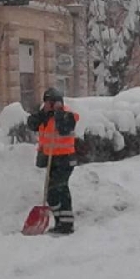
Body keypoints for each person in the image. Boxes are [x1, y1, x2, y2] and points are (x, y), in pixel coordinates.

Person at [26, 87, 79, 235]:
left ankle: (67, 224)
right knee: (51, 193)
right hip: (52, 159)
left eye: (49, 102)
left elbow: (65, 128)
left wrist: (58, 114)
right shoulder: (45, 115)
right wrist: (43, 114)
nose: (47, 105)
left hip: (65, 160)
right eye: (46, 102)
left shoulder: (67, 115)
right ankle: (60, 221)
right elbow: (31, 124)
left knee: (60, 189)